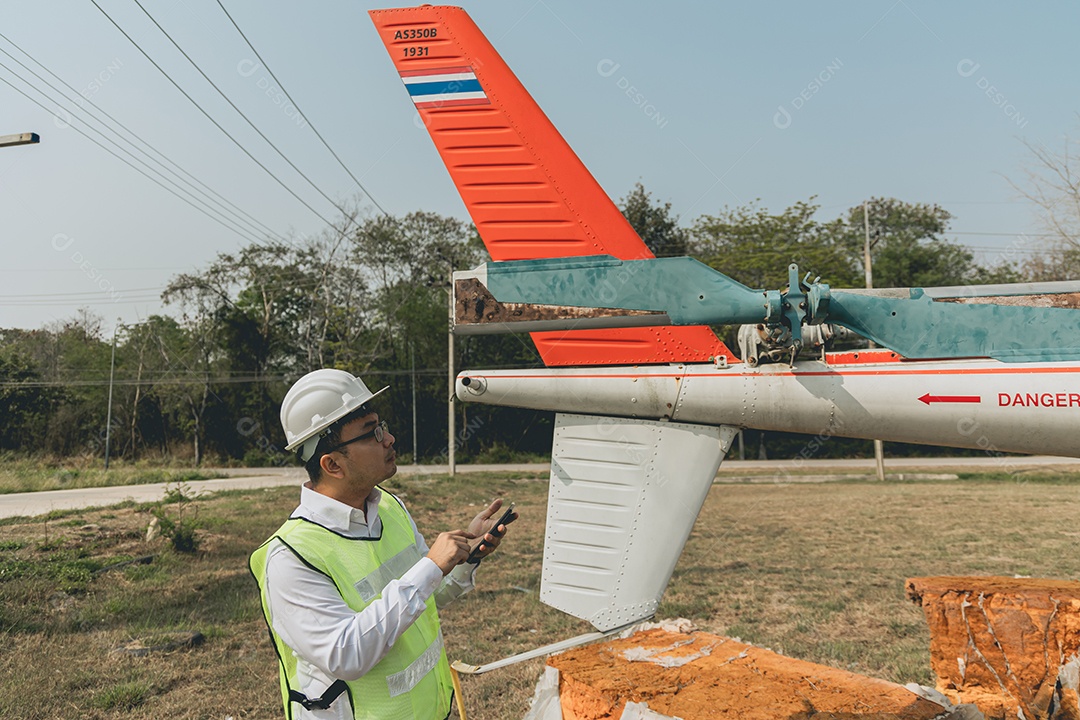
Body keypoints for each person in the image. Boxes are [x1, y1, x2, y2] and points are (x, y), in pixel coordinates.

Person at [250, 369, 514, 719]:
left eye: (382, 426)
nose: (388, 439)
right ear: (333, 464)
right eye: (372, 433)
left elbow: (425, 596)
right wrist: (431, 566)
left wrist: (465, 556)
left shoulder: (388, 507)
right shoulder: (291, 557)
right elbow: (346, 655)